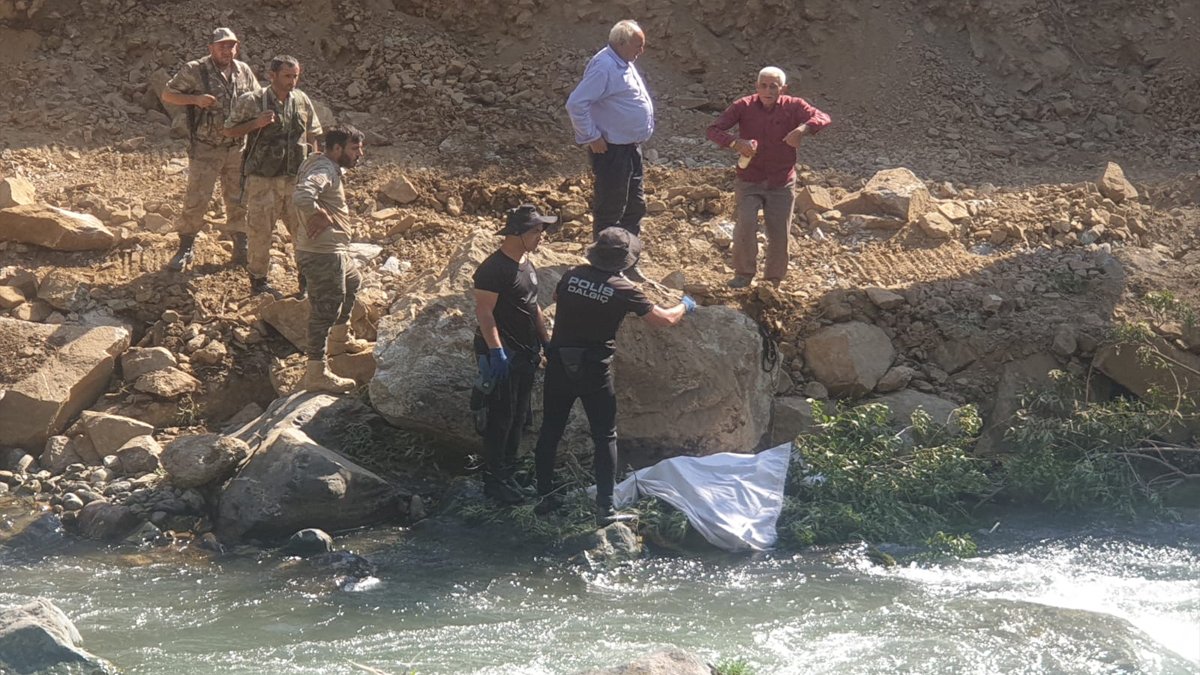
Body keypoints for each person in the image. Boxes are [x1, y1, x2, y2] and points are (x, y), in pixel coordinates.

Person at [533, 227, 696, 524]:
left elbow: (557, 295)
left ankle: (544, 498)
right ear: (625, 260)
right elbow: (663, 319)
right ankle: (605, 509)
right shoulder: (624, 290)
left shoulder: (572, 275)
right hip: (594, 370)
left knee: (551, 430)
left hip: (560, 364)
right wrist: (684, 305)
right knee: (605, 435)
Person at [705, 66, 831, 288]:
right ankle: (744, 274)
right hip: (749, 179)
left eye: (773, 86)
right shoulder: (743, 106)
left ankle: (773, 280)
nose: (768, 91)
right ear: (756, 86)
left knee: (779, 233)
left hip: (781, 181)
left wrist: (802, 130)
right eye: (763, 86)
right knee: (745, 224)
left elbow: (822, 117)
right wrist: (736, 143)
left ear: (783, 89)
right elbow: (713, 130)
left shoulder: (794, 106)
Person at [472, 205, 558, 505]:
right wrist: (496, 351)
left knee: (519, 416)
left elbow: (532, 306)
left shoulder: (526, 264)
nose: (541, 237)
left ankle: (509, 471)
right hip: (502, 353)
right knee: (500, 417)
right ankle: (494, 481)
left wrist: (545, 342)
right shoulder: (493, 269)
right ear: (517, 233)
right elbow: (484, 312)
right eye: (536, 231)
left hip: (526, 352)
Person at [161, 27, 261, 272]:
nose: (227, 50)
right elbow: (168, 94)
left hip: (237, 148)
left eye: (231, 46)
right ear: (211, 48)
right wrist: (195, 100)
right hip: (206, 148)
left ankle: (241, 246)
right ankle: (185, 247)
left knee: (239, 199)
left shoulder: (243, 70)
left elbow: (257, 98)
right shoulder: (195, 70)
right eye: (222, 46)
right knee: (197, 198)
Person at [223, 54, 323, 299]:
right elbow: (229, 130)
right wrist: (255, 124)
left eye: (295, 76)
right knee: (260, 232)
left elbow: (313, 133)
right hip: (263, 180)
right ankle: (259, 282)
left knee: (303, 231)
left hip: (295, 179)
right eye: (287, 76)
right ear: (272, 75)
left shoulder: (301, 100)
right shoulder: (252, 101)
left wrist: (315, 166)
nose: (292, 81)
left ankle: (306, 281)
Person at [565, 19, 654, 281]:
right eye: (638, 45)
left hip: (630, 148)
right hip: (612, 151)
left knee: (635, 206)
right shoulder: (604, 66)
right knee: (611, 208)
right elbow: (576, 104)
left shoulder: (623, 62)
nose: (641, 51)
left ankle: (627, 262)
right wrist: (591, 136)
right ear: (621, 43)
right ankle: (604, 269)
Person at [291, 124, 372, 394]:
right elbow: (303, 195)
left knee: (353, 280)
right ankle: (316, 372)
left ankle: (339, 339)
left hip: (333, 249)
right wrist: (319, 213)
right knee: (325, 310)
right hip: (322, 253)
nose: (360, 154)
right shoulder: (323, 169)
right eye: (354, 148)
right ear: (337, 149)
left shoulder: (325, 164)